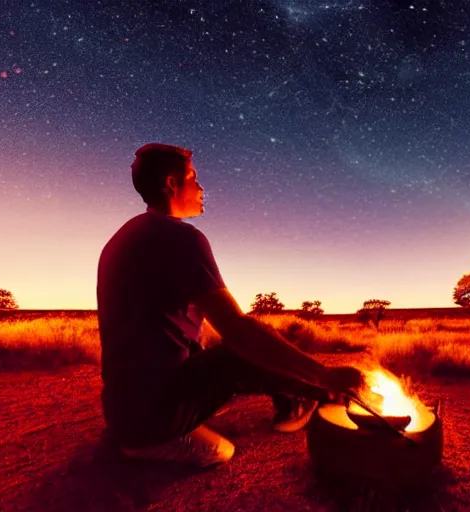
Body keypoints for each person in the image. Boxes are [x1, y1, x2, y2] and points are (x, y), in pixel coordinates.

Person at [97, 143, 366, 468]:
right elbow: (238, 330)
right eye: (194, 178)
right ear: (171, 184)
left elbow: (186, 328)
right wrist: (322, 374)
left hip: (121, 409)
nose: (201, 187)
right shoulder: (182, 239)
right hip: (152, 423)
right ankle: (315, 394)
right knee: (236, 366)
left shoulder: (123, 238)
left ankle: (298, 396)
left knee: (231, 353)